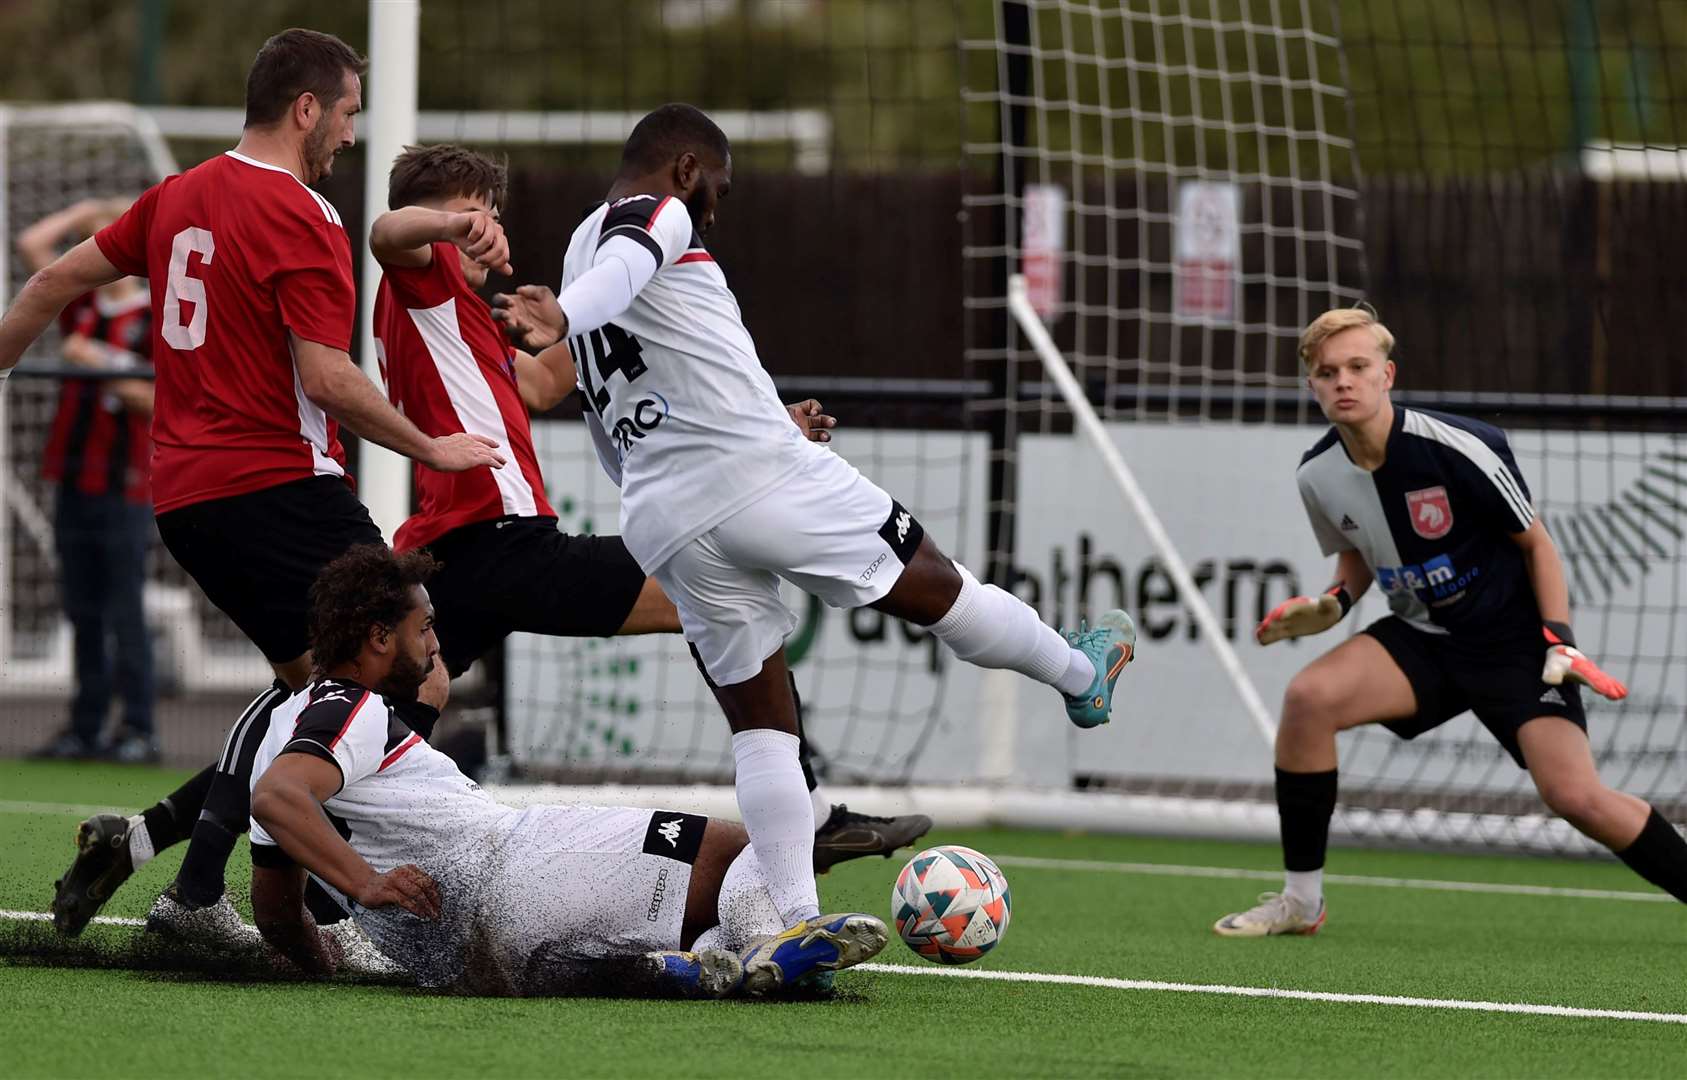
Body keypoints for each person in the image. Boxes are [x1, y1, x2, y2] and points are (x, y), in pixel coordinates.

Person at [491, 103, 1137, 939]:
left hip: (661, 511)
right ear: (685, 168)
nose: (713, 209)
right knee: (938, 585)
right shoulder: (650, 216)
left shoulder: (579, 242)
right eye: (715, 188)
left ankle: (797, 923)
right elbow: (624, 269)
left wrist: (757, 419)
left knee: (761, 725)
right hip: (758, 479)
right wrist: (564, 318)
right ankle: (1082, 677)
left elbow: (629, 420)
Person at [0, 28, 504, 946]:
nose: (351, 134)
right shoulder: (303, 215)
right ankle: (239, 891)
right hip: (280, 486)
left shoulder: (176, 196)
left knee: (307, 694)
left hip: (185, 499)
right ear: (306, 108)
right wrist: (431, 446)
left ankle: (167, 858)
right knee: (412, 674)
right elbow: (327, 380)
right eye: (349, 112)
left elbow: (47, 283)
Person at [367, 142, 930, 872]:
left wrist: (740, 406)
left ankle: (275, 855)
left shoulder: (459, 315)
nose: (490, 229)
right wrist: (448, 229)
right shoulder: (425, 275)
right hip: (501, 542)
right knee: (704, 594)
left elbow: (540, 383)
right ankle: (811, 810)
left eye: (493, 215)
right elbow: (385, 232)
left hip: (458, 551)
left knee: (384, 703)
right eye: (478, 214)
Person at [1213, 306, 1687, 937]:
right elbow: (1356, 552)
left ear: (1388, 374)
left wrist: (1559, 640)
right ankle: (1302, 902)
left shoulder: (1463, 446)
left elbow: (1537, 545)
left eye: (1358, 367)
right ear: (1313, 387)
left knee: (1575, 796)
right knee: (1308, 699)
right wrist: (1331, 606)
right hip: (1424, 640)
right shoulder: (1316, 474)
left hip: (1514, 643)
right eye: (1328, 373)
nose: (1343, 382)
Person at [247, 543, 888, 997]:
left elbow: (275, 914)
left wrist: (324, 958)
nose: (436, 642)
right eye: (425, 627)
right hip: (516, 862)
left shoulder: (281, 729)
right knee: (743, 849)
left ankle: (679, 968)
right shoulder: (347, 706)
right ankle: (767, 952)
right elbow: (280, 798)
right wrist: (366, 883)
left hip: (460, 968)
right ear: (379, 638)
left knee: (682, 925)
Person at [17, 197, 159, 763]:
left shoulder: (154, 319)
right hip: (72, 480)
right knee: (81, 610)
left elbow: (157, 400)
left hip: (125, 487)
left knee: (125, 608)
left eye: (114, 235)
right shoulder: (83, 307)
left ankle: (141, 729)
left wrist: (100, 362)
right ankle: (86, 725)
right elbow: (33, 247)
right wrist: (83, 211)